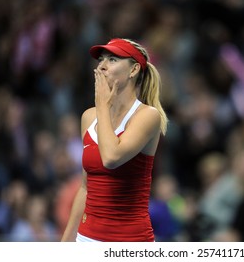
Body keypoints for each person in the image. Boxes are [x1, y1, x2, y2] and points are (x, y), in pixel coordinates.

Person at [61, 38, 168, 242]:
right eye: (101, 59)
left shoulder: (148, 116)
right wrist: (67, 240)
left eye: (112, 59)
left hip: (130, 242)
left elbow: (111, 158)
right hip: (86, 238)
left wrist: (102, 103)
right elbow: (86, 187)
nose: (101, 65)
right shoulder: (89, 117)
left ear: (133, 69)